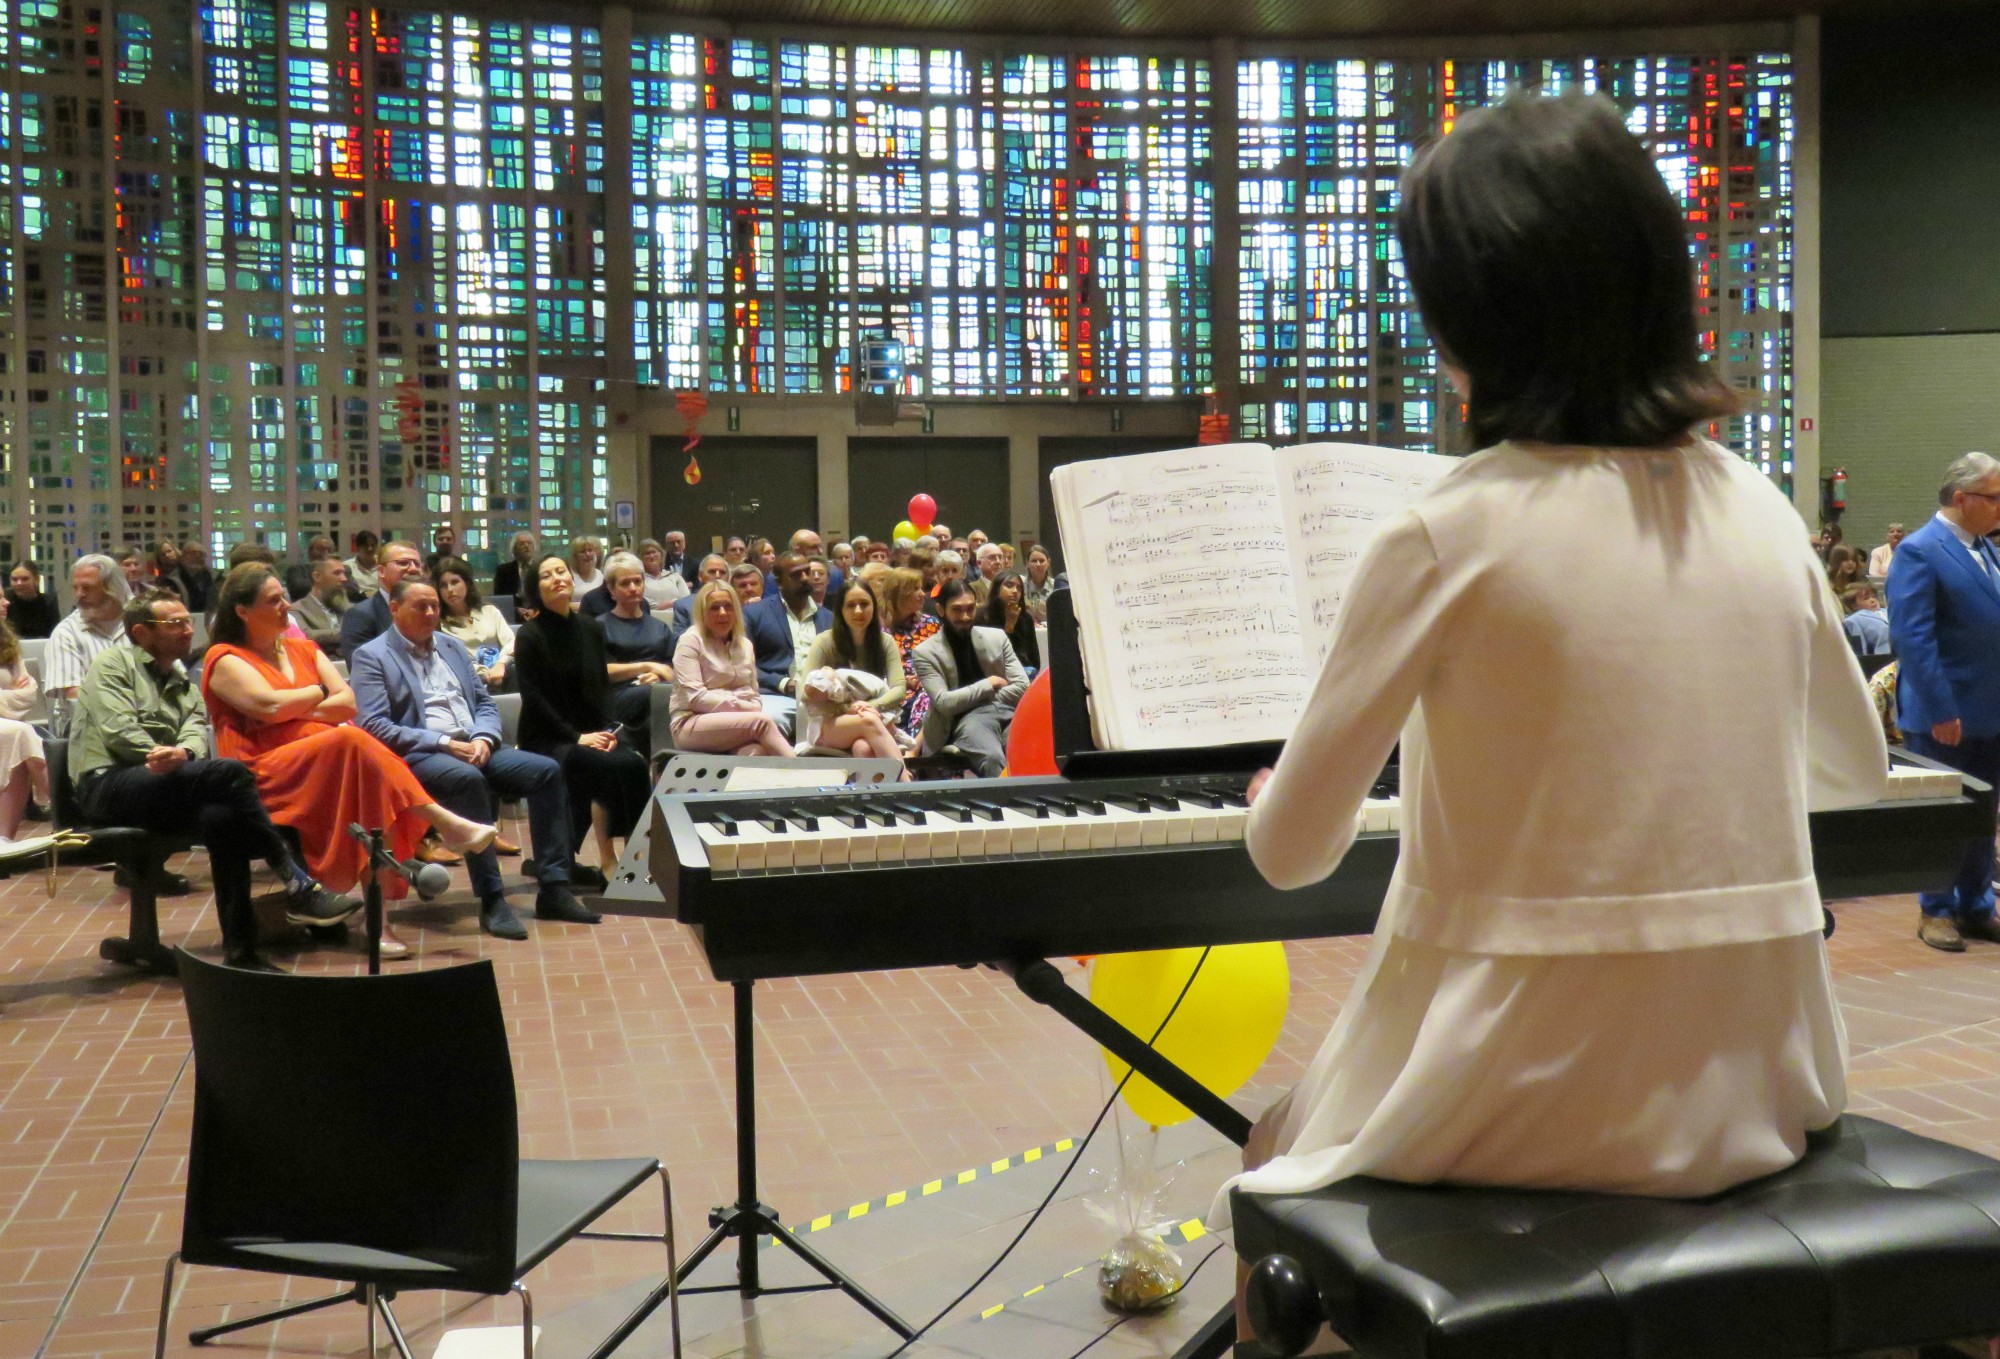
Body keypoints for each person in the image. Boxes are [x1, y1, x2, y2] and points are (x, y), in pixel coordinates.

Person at [1212, 95, 1885, 1293]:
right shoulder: (1758, 508)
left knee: (1270, 1147)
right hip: (1757, 1085)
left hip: (1506, 1100)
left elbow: (1288, 858)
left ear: (1464, 321)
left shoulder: (1446, 530)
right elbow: (1855, 770)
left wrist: (1280, 791)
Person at [202, 564, 498, 958]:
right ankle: (443, 821)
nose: (286, 605)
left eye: (283, 597)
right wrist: (316, 692)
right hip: (263, 772)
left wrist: (298, 705)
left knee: (368, 783)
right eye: (273, 601)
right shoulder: (223, 658)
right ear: (242, 610)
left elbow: (348, 702)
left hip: (327, 765)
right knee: (350, 738)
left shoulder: (303, 648)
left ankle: (382, 923)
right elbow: (269, 706)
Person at [72, 589, 362, 970]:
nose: (187, 630)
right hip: (109, 784)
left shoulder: (183, 680)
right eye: (174, 624)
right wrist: (160, 752)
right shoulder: (113, 664)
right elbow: (117, 728)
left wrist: (186, 753)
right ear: (142, 633)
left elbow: (194, 727)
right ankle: (297, 883)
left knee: (222, 818)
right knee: (229, 771)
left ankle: (241, 952)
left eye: (186, 622)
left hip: (164, 784)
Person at [350, 577, 597, 940]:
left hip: (476, 746)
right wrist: (445, 742)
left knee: (546, 771)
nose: (431, 613)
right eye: (420, 606)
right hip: (422, 755)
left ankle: (555, 887)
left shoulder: (450, 647)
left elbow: (483, 703)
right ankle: (493, 898)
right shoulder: (372, 656)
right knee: (468, 780)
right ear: (394, 608)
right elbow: (373, 724)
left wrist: (484, 737)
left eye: (434, 605)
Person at [1888, 451, 2000, 953]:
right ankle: (1935, 911)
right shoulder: (1920, 550)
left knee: (1981, 813)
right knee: (1939, 816)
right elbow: (1913, 639)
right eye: (1995, 498)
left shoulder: (1986, 549)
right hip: (1946, 713)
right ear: (1962, 498)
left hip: (1990, 709)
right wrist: (1940, 709)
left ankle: (1977, 906)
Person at [513, 555, 651, 872]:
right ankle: (606, 859)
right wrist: (577, 737)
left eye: (561, 571)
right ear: (536, 589)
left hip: (591, 730)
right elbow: (533, 699)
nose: (557, 578)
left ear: (572, 579)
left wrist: (606, 731)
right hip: (547, 736)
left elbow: (599, 687)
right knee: (600, 766)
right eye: (547, 575)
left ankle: (636, 855)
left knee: (632, 761)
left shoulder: (591, 628)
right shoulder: (530, 635)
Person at [912, 580, 1026, 775]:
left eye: (970, 609)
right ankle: (1007, 804)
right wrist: (988, 684)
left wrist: (973, 699)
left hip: (1008, 712)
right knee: (993, 758)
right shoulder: (925, 652)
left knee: (1025, 752)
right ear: (941, 610)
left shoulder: (996, 638)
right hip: (964, 720)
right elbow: (944, 703)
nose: (965, 616)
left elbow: (1023, 686)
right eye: (957, 610)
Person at [668, 582, 794, 757]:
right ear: (702, 613)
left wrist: (741, 702)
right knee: (762, 722)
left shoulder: (745, 645)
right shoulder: (690, 641)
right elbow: (696, 698)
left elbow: (754, 695)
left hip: (736, 722)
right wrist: (740, 701)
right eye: (714, 608)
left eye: (728, 606)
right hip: (691, 722)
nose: (722, 613)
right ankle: (803, 774)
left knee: (754, 753)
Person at [799, 581, 905, 763]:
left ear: (874, 606)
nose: (858, 611)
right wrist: (848, 708)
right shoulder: (824, 642)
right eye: (851, 605)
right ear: (840, 609)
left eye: (864, 604)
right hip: (830, 723)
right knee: (869, 722)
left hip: (871, 718)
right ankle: (905, 782)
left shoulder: (885, 641)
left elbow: (899, 688)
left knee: (863, 748)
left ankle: (875, 791)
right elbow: (805, 693)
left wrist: (872, 706)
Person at [744, 552, 833, 737]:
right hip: (775, 695)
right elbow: (744, 666)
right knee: (771, 720)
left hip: (822, 699)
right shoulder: (755, 614)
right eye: (796, 575)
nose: (805, 578)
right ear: (779, 582)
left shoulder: (828, 618)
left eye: (807, 572)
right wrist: (784, 683)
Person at [598, 552, 674, 751]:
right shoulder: (598, 626)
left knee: (664, 695)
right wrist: (645, 666)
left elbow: (673, 668)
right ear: (611, 589)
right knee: (659, 695)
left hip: (658, 693)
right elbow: (600, 671)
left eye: (637, 582)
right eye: (625, 584)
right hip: (617, 696)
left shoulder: (659, 627)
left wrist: (658, 675)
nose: (633, 588)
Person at [45, 554, 132, 701]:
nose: (79, 595)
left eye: (87, 588)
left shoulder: (141, 622)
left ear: (113, 588)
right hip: (93, 720)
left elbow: (174, 675)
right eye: (76, 588)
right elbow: (72, 694)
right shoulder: (67, 633)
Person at [0, 618, 50, 848]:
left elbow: (30, 693)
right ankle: (59, 803)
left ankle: (4, 839)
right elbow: (19, 695)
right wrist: (11, 696)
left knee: (19, 735)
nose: (6, 601)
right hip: (13, 723)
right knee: (21, 732)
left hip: (7, 723)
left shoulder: (7, 641)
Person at [877, 567, 939, 741]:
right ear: (899, 593)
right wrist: (902, 681)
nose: (922, 594)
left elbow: (940, 662)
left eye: (921, 588)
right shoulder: (876, 627)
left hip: (924, 690)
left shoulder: (930, 624)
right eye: (915, 589)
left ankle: (912, 747)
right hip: (888, 689)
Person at [435, 557, 515, 690]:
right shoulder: (438, 624)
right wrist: (485, 674)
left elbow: (511, 642)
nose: (449, 589)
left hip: (503, 672)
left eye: (455, 582)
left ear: (467, 583)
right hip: (467, 681)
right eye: (443, 585)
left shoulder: (490, 611)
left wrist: (500, 664)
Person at [337, 540, 425, 656]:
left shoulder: (429, 610)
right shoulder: (360, 615)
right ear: (381, 571)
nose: (414, 569)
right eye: (403, 563)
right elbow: (362, 668)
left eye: (417, 564)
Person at [978, 569, 1040, 674]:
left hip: (1022, 673)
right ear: (996, 590)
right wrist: (1009, 627)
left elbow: (1034, 660)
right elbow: (992, 658)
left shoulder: (1025, 618)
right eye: (1009, 585)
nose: (1015, 591)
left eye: (1019, 588)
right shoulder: (982, 616)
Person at [289, 555, 352, 656]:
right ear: (317, 576)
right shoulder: (297, 609)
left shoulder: (347, 606)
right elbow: (306, 635)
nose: (344, 578)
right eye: (337, 573)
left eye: (343, 573)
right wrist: (348, 633)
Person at [669, 554, 730, 648]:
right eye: (712, 572)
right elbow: (679, 640)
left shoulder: (735, 603)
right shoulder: (683, 605)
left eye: (722, 572)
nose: (718, 576)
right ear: (700, 576)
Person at [5, 561, 59, 639]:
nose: (19, 583)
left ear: (37, 580)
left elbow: (54, 633)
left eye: (25, 579)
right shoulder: (5, 600)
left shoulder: (48, 601)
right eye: (14, 579)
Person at [639, 538, 690, 610]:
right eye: (647, 553)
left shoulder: (675, 577)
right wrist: (660, 606)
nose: (651, 556)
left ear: (661, 555)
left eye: (654, 552)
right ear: (641, 558)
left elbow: (686, 599)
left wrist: (669, 604)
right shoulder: (638, 579)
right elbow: (640, 599)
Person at [1841, 583, 1891, 656]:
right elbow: (1860, 650)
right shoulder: (1854, 620)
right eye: (1866, 598)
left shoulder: (1889, 611)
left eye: (1873, 596)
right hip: (1886, 658)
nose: (1872, 600)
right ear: (1853, 605)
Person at [283, 535, 337, 601]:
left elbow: (352, 591)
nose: (325, 553)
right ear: (310, 551)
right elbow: (298, 590)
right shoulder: (297, 570)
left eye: (330, 550)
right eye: (321, 549)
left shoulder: (341, 570)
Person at [493, 531, 537, 606]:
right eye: (522, 544)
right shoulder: (503, 571)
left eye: (529, 543)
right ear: (514, 549)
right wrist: (517, 610)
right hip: (512, 612)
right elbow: (499, 598)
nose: (526, 546)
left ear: (534, 547)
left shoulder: (540, 568)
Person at [173, 542, 214, 614]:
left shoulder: (213, 578)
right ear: (182, 557)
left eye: (201, 554)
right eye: (193, 553)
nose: (197, 556)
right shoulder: (172, 580)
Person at [1023, 543, 1059, 621]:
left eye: (1042, 561)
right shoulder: (1020, 585)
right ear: (1027, 563)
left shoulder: (1056, 586)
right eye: (1034, 561)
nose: (1038, 564)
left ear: (1048, 562)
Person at [345, 529, 382, 596]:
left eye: (373, 545)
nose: (370, 549)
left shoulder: (384, 564)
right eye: (366, 546)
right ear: (358, 547)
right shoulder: (347, 566)